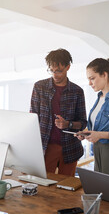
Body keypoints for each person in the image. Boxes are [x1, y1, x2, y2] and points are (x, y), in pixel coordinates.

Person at [30, 48, 87, 176]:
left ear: (68, 67)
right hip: (45, 147)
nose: (55, 75)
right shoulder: (39, 87)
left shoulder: (77, 91)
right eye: (52, 70)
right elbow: (32, 119)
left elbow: (83, 123)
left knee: (67, 189)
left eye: (59, 71)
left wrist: (68, 125)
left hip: (71, 148)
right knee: (44, 187)